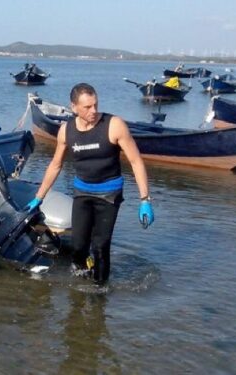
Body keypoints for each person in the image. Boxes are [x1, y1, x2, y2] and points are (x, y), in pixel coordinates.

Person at [24, 83, 154, 284]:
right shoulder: (66, 131)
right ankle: (83, 280)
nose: (93, 111)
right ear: (74, 107)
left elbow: (136, 161)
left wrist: (145, 199)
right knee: (78, 247)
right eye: (87, 107)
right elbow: (55, 165)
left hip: (109, 195)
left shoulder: (114, 125)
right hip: (82, 193)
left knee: (101, 246)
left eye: (95, 105)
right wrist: (38, 198)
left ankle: (99, 292)